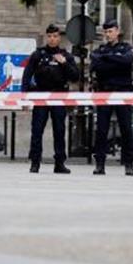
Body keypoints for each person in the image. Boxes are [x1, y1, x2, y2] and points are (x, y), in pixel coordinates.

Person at [21, 24, 80, 174]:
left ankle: (59, 163)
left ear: (59, 38)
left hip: (59, 97)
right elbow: (27, 76)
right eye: (50, 36)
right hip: (41, 96)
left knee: (59, 130)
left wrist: (64, 63)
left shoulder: (65, 55)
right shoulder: (38, 54)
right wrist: (24, 98)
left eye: (55, 36)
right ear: (47, 37)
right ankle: (35, 162)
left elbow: (75, 76)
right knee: (37, 130)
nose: (52, 39)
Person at [91, 18, 133, 176]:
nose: (108, 34)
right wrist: (114, 60)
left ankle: (128, 163)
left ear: (117, 31)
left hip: (123, 92)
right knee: (102, 130)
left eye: (110, 31)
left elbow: (127, 61)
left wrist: (108, 59)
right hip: (105, 92)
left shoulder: (126, 48)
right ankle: (100, 164)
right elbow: (96, 64)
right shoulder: (100, 50)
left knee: (126, 129)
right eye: (106, 32)